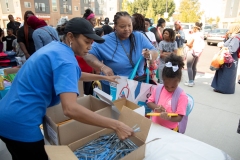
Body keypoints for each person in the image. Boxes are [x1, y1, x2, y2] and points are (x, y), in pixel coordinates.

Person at [0, 18, 133, 160]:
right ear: (70, 36)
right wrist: (116, 124)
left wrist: (104, 78)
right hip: (21, 123)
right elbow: (70, 109)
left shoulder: (57, 48)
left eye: (92, 42)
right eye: (86, 41)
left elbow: (73, 74)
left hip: (6, 114)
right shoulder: (65, 60)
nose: (89, 47)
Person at [83, 11, 158, 94]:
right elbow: (87, 55)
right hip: (113, 88)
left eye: (129, 25)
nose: (127, 29)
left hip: (136, 85)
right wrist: (102, 67)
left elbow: (155, 51)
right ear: (115, 26)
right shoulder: (105, 40)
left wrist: (150, 54)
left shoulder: (139, 37)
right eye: (122, 26)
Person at [147, 53, 188, 130]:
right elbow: (149, 102)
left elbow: (179, 117)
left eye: (173, 87)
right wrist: (157, 107)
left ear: (178, 81)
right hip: (155, 125)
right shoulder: (158, 88)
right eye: (166, 86)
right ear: (163, 80)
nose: (169, 89)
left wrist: (168, 118)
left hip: (170, 129)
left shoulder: (182, 96)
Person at [211, 24, 240, 94]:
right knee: (222, 73)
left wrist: (223, 47)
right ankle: (220, 88)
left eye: (230, 28)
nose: (229, 29)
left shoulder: (236, 38)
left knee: (227, 74)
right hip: (228, 58)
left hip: (230, 59)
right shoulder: (234, 37)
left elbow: (232, 49)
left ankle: (225, 89)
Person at [184, 22, 204, 87]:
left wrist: (185, 43)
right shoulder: (201, 35)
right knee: (194, 67)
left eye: (193, 27)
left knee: (189, 66)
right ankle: (192, 80)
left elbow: (189, 43)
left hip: (192, 51)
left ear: (195, 28)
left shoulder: (194, 35)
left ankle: (190, 81)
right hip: (197, 52)